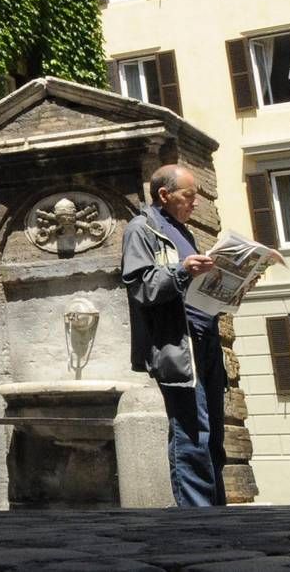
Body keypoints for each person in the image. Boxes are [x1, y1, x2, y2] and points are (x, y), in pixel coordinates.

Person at [121, 163, 226, 506]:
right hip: (179, 348)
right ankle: (198, 518)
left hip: (205, 342)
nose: (195, 203)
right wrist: (182, 270)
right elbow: (141, 288)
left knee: (213, 436)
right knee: (192, 434)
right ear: (164, 195)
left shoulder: (184, 231)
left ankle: (217, 511)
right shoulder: (142, 229)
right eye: (189, 196)